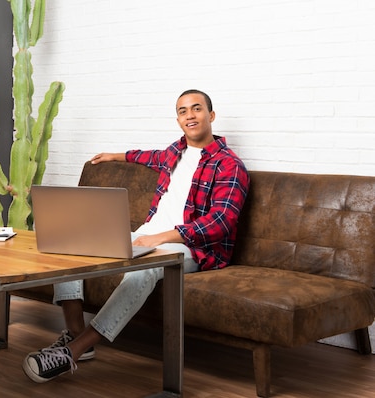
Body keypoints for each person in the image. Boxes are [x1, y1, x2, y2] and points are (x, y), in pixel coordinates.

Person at [22, 89, 250, 383]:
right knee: (73, 246)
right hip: (147, 236)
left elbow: (222, 222)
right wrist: (114, 155)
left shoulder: (230, 165)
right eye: (183, 111)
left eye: (197, 109)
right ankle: (76, 332)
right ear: (178, 119)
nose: (190, 115)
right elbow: (148, 156)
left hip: (194, 248)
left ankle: (73, 351)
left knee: (143, 270)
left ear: (211, 115)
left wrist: (162, 238)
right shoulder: (174, 152)